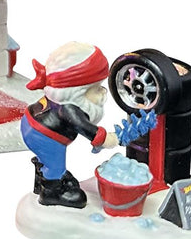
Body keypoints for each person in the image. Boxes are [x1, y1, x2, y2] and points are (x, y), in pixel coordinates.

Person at [21, 42, 118, 208]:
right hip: (45, 136)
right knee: (54, 163)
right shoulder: (69, 108)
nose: (103, 92)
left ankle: (42, 175)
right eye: (96, 88)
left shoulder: (61, 100)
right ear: (77, 91)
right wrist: (105, 139)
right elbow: (85, 127)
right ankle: (51, 192)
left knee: (48, 160)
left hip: (31, 123)